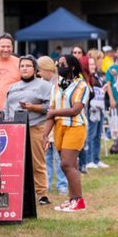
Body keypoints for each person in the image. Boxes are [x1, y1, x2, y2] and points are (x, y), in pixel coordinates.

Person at [44, 54, 90, 212]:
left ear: (72, 67)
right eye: (58, 63)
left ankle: (79, 201)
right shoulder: (55, 86)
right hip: (59, 128)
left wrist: (53, 113)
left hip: (75, 126)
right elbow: (50, 113)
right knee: (72, 166)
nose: (59, 66)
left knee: (66, 164)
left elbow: (75, 110)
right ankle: (72, 199)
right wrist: (44, 136)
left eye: (63, 64)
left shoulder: (81, 85)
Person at [5, 55, 52, 205]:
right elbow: (7, 108)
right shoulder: (12, 87)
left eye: (28, 66)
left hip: (35, 127)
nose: (24, 68)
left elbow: (51, 108)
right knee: (16, 163)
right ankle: (19, 192)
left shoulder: (43, 85)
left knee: (37, 162)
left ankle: (42, 194)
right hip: (15, 129)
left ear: (35, 69)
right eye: (22, 66)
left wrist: (32, 107)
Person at [37, 56, 68, 194]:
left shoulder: (60, 82)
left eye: (40, 70)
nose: (38, 73)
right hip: (43, 122)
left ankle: (62, 185)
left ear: (45, 69)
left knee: (58, 155)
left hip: (57, 122)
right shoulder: (39, 83)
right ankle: (47, 184)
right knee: (45, 156)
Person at [84, 56, 109, 170]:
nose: (92, 66)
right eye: (90, 64)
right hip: (91, 109)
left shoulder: (96, 76)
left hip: (100, 108)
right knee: (91, 134)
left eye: (93, 64)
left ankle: (96, 159)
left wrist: (103, 90)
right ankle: (89, 160)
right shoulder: (85, 78)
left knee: (98, 135)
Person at [0, 32, 20, 112]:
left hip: (14, 110)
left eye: (8, 46)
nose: (6, 49)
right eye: (3, 46)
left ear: (12, 47)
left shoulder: (20, 63)